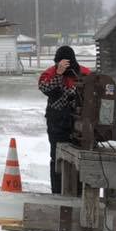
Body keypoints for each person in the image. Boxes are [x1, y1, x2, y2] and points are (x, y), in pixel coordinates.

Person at [38, 45, 92, 193]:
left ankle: (79, 192)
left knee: (81, 159)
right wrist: (58, 75)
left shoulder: (85, 73)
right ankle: (58, 191)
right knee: (57, 158)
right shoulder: (49, 73)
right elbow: (47, 90)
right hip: (57, 122)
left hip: (80, 124)